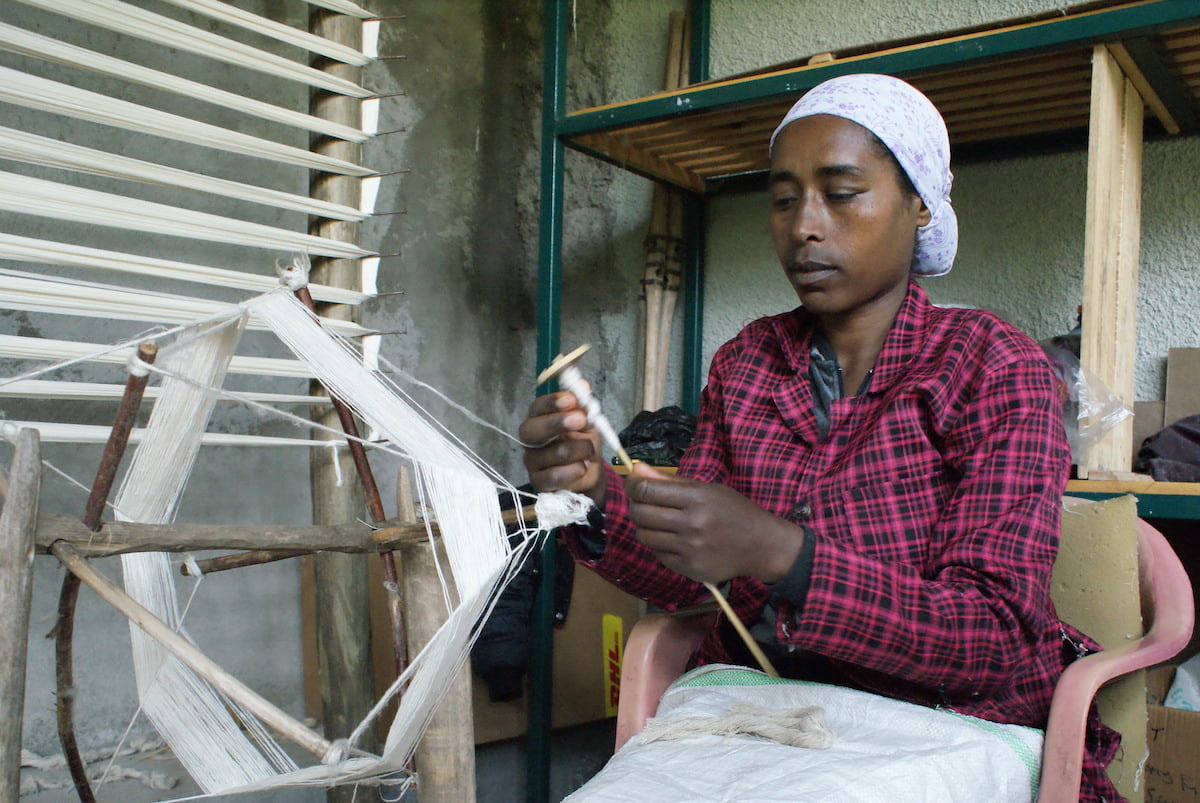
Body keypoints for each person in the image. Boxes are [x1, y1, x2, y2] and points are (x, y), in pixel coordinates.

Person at [520, 73, 1120, 801]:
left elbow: (990, 639)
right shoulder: (747, 362)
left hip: (937, 722)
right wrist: (596, 490)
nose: (804, 224)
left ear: (920, 203)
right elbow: (691, 571)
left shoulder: (993, 367)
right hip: (759, 705)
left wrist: (784, 554)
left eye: (840, 193)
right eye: (782, 197)